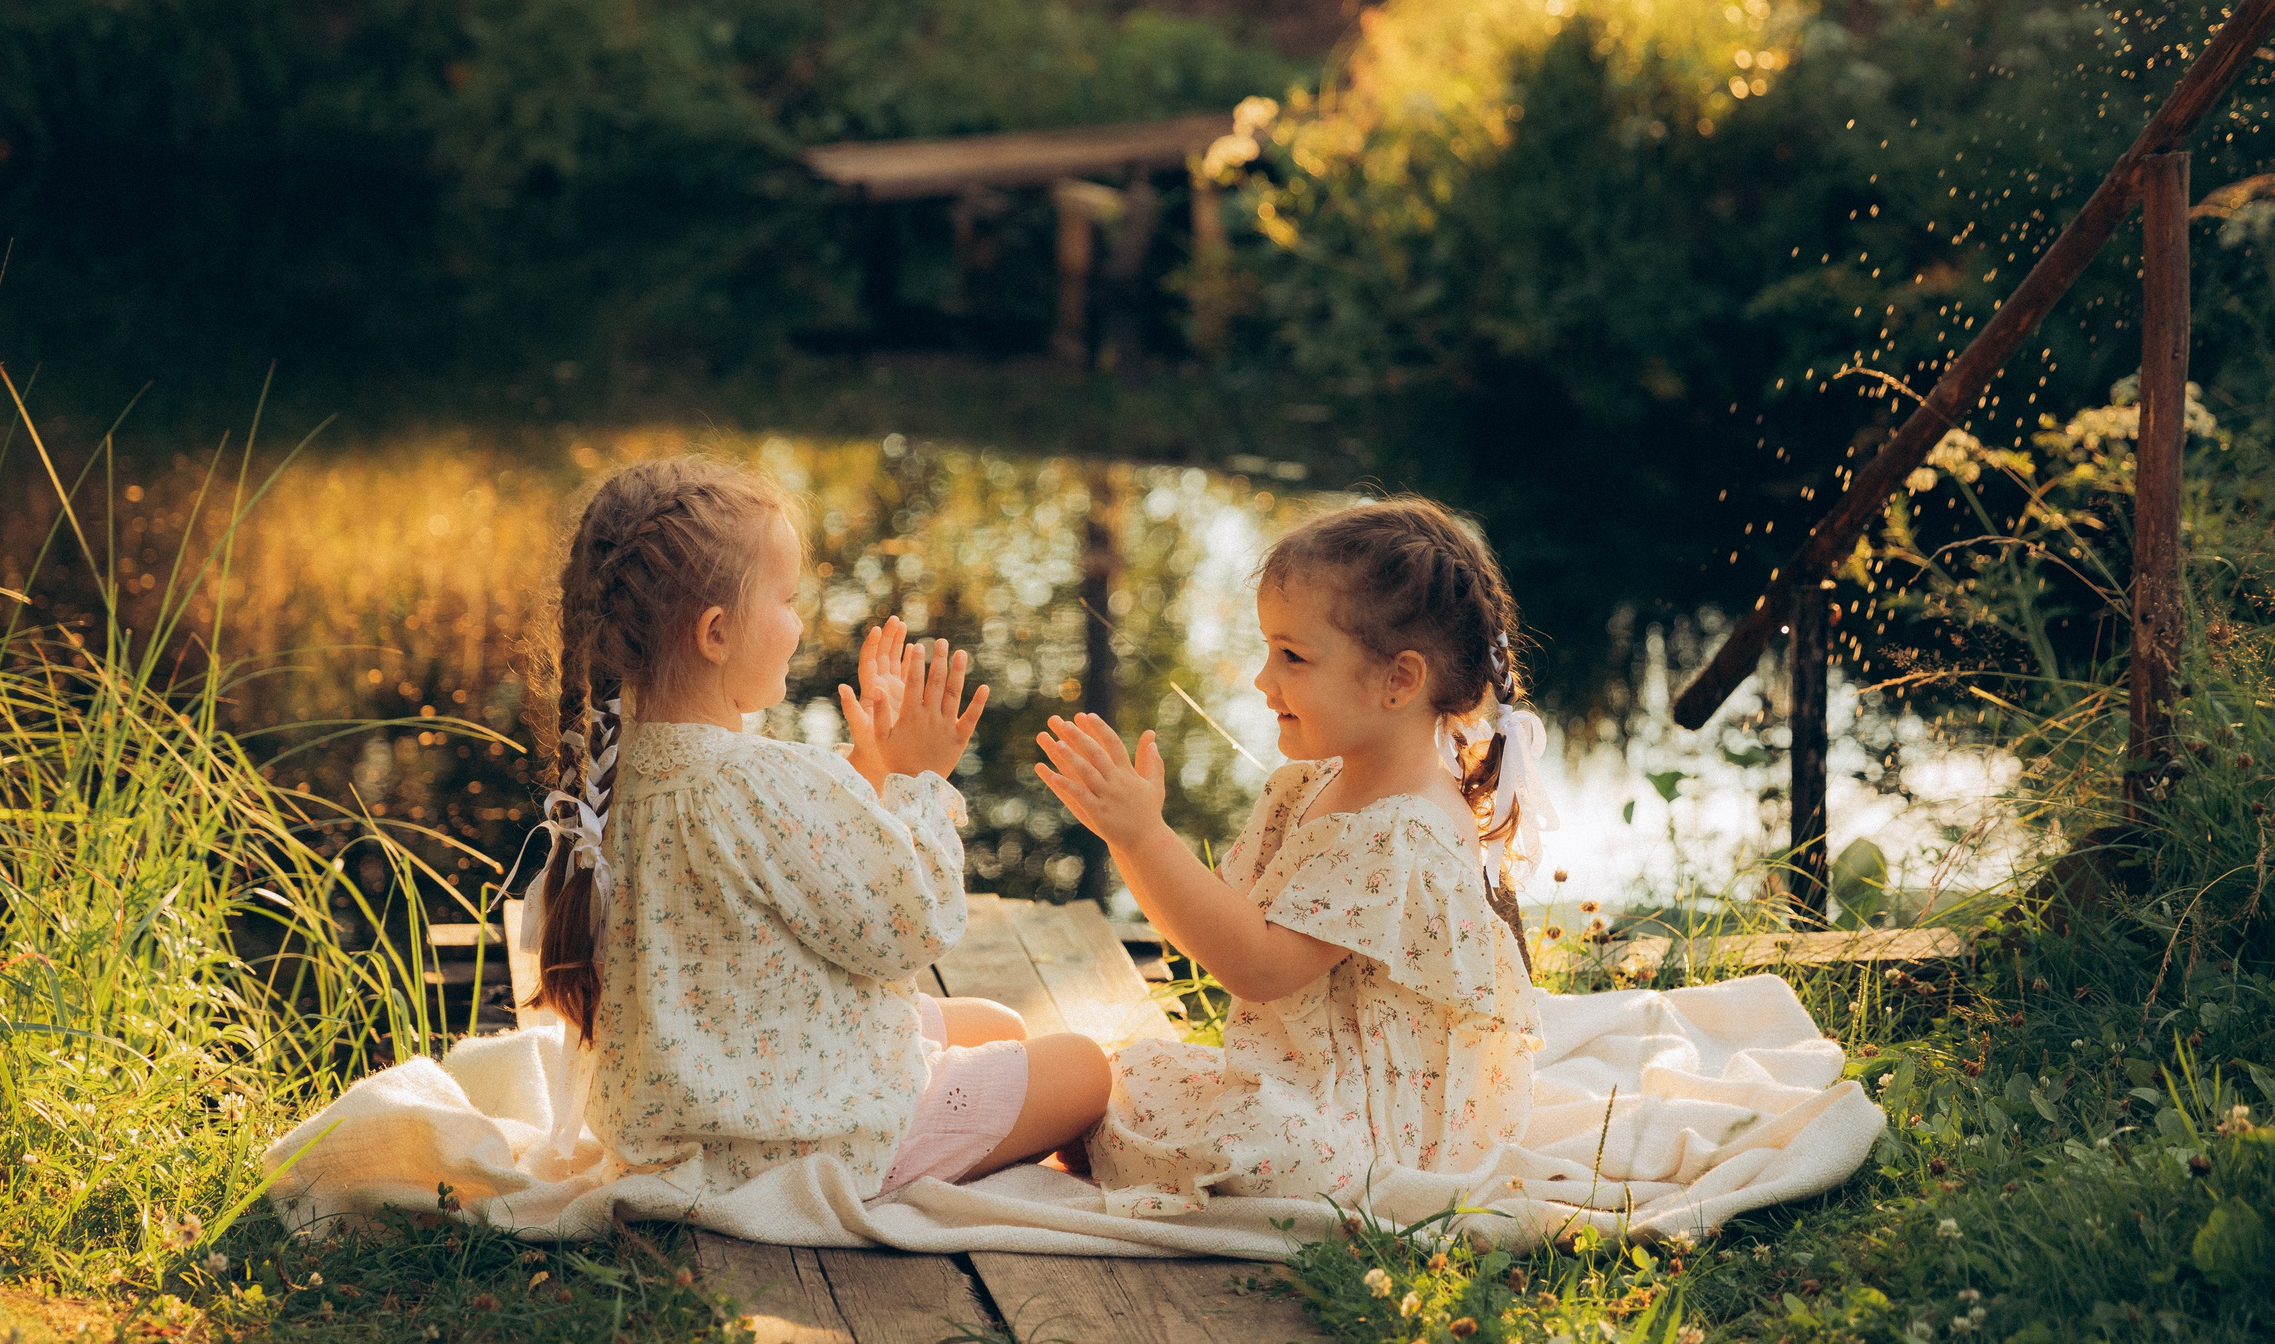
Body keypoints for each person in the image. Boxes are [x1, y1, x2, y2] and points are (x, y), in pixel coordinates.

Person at [522, 455, 1113, 1197]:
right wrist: (915, 782)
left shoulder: (607, 779)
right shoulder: (760, 782)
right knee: (1085, 1067)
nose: (801, 622)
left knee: (995, 1021)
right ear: (715, 632)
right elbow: (909, 930)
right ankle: (941, 1151)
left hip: (684, 1121)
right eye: (789, 598)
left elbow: (794, 864)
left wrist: (867, 764)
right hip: (806, 1140)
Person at [1033, 495, 1550, 1216]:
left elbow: (1259, 966)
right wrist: (1133, 839)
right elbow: (1217, 924)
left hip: (1366, 1130)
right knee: (1130, 1074)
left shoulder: (1400, 832)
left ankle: (958, 1131)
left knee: (1207, 1123)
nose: (1262, 680)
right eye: (1268, 650)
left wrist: (1142, 836)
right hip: (1304, 1078)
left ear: (1399, 681)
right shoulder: (1312, 786)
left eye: (1293, 657)